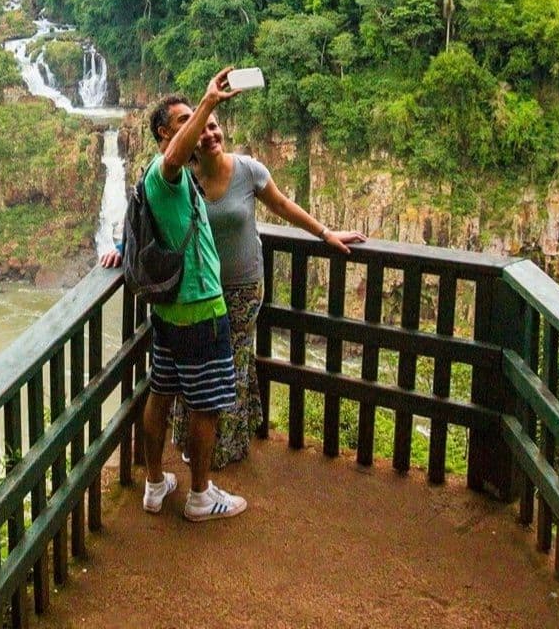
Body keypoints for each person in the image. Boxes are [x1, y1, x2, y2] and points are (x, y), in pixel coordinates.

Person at [106, 79, 366, 471]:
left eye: (211, 124)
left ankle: (225, 449)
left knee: (229, 370)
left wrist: (326, 233)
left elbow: (282, 205)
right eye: (196, 124)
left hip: (242, 289)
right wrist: (123, 250)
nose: (208, 131)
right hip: (194, 295)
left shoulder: (246, 170)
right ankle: (195, 459)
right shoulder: (180, 175)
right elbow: (153, 217)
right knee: (197, 379)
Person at [128, 69, 248, 521]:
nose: (196, 126)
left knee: (161, 395)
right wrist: (208, 103)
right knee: (206, 406)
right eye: (184, 121)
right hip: (198, 310)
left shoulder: (168, 179)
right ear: (165, 132)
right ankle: (200, 496)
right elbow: (175, 159)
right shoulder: (166, 172)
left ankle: (156, 485)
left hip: (169, 311)